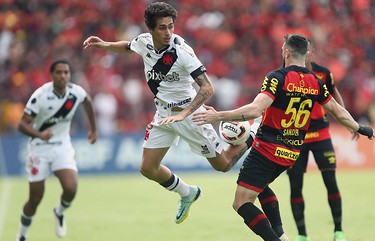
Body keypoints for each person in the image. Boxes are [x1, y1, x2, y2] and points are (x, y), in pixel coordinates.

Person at [192, 34, 375, 241]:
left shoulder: (277, 77)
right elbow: (338, 112)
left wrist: (217, 115)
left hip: (267, 148)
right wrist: (362, 128)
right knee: (260, 188)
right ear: (306, 53)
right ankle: (280, 236)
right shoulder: (316, 82)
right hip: (291, 152)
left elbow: (254, 110)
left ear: (286, 52)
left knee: (241, 202)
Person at [83, 2, 253, 225]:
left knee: (222, 165)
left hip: (189, 115)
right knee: (147, 168)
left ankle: (251, 133)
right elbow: (127, 46)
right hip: (163, 115)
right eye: (162, 28)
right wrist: (104, 45)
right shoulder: (144, 41)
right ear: (151, 29)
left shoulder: (182, 52)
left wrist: (185, 114)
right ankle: (187, 192)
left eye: (171, 26)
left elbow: (207, 87)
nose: (168, 32)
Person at [14, 59, 98, 241]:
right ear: (52, 75)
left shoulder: (75, 92)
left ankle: (59, 212)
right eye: (59, 73)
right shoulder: (40, 95)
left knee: (71, 187)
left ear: (69, 75)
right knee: (35, 197)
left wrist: (93, 129)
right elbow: (21, 124)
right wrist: (40, 134)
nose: (63, 76)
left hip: (62, 146)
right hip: (39, 149)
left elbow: (88, 103)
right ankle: (21, 235)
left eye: (66, 72)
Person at [287, 38, 349, 241]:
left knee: (330, 181)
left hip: (321, 134)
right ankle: (302, 235)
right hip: (296, 136)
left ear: (310, 52)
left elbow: (333, 93)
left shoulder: (323, 73)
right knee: (295, 186)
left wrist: (346, 119)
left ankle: (339, 231)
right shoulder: (285, 74)